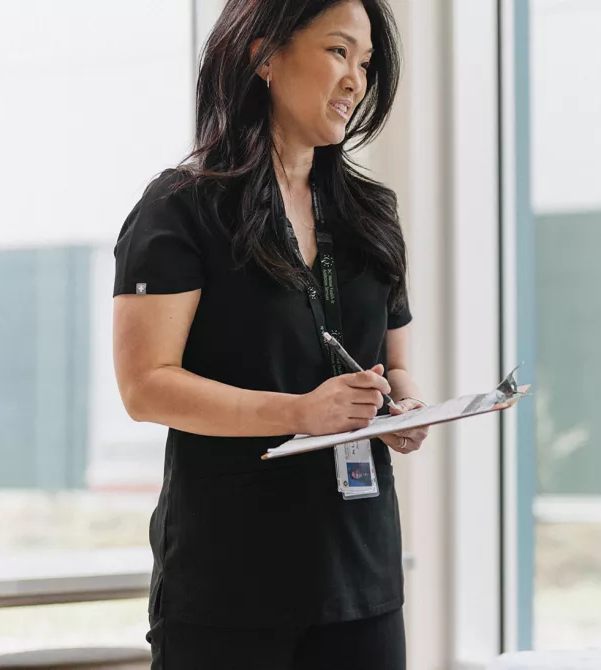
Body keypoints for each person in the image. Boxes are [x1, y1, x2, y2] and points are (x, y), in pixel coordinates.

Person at [110, 1, 426, 668]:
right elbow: (145, 387)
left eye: (365, 61)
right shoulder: (181, 208)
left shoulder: (372, 215)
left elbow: (394, 364)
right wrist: (300, 414)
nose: (356, 79)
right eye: (338, 51)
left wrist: (405, 407)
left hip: (361, 579)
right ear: (264, 57)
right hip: (228, 588)